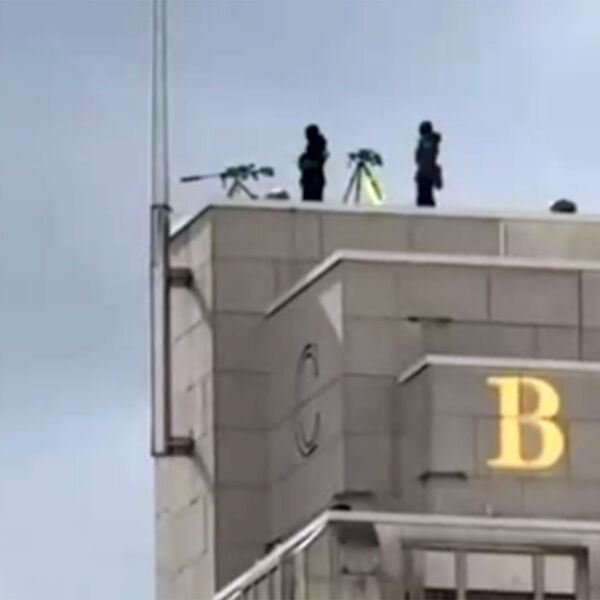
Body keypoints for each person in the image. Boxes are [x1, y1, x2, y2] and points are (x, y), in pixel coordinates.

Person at [415, 120, 443, 207]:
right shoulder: (430, 141)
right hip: (427, 173)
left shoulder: (426, 141)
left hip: (424, 173)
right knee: (426, 197)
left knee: (424, 198)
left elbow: (422, 158)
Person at [298, 124, 328, 201]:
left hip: (313, 179)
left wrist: (304, 161)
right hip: (314, 178)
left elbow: (314, 161)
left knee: (310, 201)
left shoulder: (315, 144)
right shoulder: (318, 144)